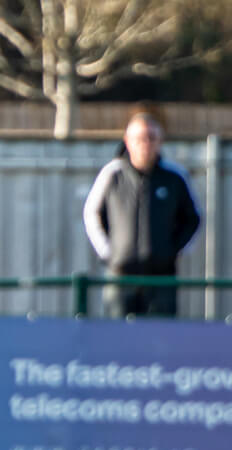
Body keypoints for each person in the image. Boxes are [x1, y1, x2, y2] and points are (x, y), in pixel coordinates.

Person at [83, 110, 201, 318]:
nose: (145, 144)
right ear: (128, 141)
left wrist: (172, 251)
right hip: (121, 277)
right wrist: (109, 252)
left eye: (151, 138)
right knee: (117, 338)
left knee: (160, 340)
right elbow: (92, 214)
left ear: (160, 141)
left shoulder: (174, 177)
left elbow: (193, 218)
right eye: (139, 138)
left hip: (161, 278)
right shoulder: (112, 174)